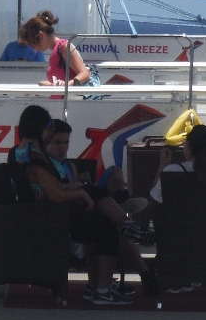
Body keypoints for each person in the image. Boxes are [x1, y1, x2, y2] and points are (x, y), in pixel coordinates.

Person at [8, 105, 128, 304]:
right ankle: (102, 289)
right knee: (107, 229)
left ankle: (98, 284)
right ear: (38, 127)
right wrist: (80, 192)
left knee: (96, 203)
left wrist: (78, 188)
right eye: (48, 125)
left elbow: (51, 187)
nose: (51, 130)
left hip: (45, 213)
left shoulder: (24, 152)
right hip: (51, 217)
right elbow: (54, 194)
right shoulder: (33, 156)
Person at [43, 120, 156, 295]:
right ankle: (142, 273)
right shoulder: (44, 168)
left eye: (66, 143)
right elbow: (56, 196)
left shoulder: (70, 166)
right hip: (67, 220)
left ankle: (117, 204)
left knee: (113, 175)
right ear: (46, 142)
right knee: (113, 226)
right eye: (57, 143)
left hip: (82, 211)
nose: (62, 148)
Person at [20, 11, 93, 86]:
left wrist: (66, 85)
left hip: (69, 97)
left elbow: (85, 74)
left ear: (41, 35)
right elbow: (60, 81)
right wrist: (50, 85)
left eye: (34, 44)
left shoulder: (64, 47)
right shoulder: (56, 51)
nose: (34, 49)